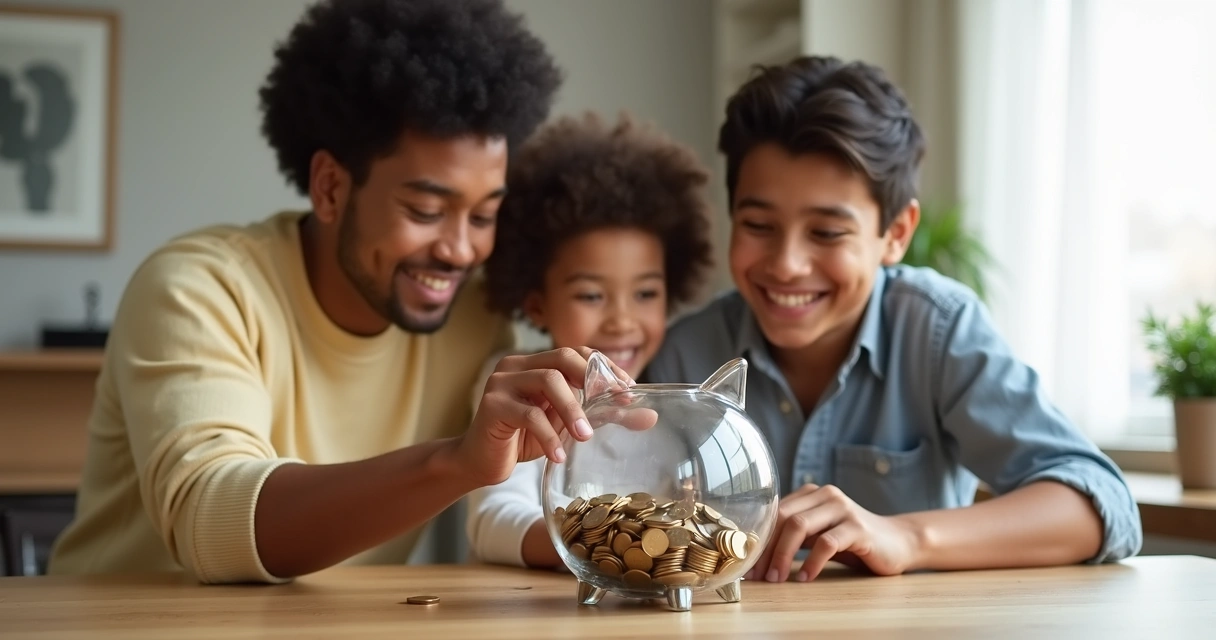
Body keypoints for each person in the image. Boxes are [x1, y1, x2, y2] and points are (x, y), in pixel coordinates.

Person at [45, 0, 635, 585]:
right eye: (426, 210)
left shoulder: (474, 322)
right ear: (329, 188)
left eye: (483, 217)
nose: (460, 250)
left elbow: (506, 504)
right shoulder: (198, 289)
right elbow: (212, 523)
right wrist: (454, 461)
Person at [643, 55, 1143, 584]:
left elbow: (1101, 504)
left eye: (828, 233)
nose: (787, 264)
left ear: (897, 232)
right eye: (759, 225)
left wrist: (905, 536)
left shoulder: (938, 332)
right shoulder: (685, 355)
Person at [464, 112, 715, 569]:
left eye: (645, 293)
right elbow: (492, 521)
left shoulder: (676, 390)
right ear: (538, 304)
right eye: (591, 295)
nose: (622, 321)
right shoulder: (517, 386)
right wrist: (609, 545)